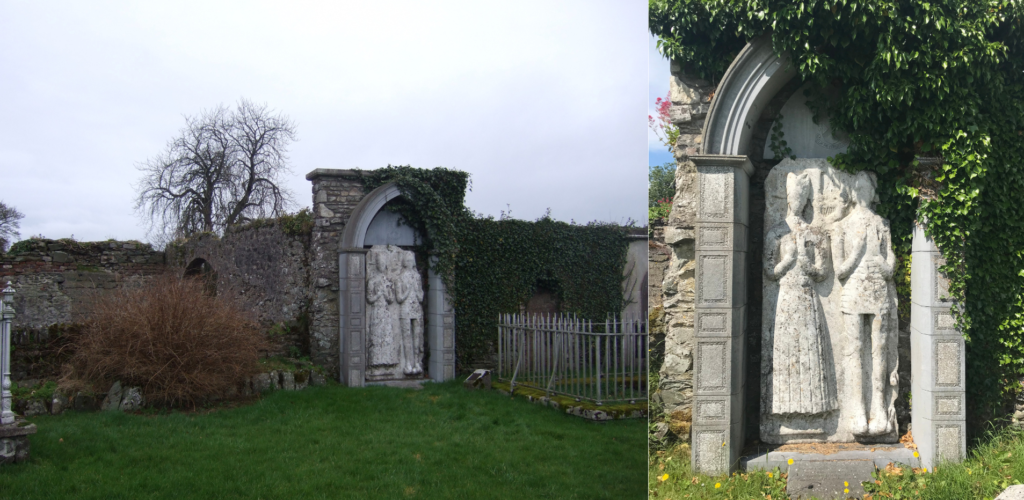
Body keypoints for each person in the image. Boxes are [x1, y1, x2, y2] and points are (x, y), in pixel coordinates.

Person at [764, 171, 838, 416]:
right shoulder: (776, 232)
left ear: (806, 201)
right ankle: (783, 407)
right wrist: (787, 261)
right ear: (788, 199)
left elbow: (823, 272)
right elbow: (770, 272)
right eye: (793, 197)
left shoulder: (815, 233)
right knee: (786, 352)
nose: (797, 202)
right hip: (785, 300)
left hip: (807, 299)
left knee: (809, 351)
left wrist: (806, 263)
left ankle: (815, 407)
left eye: (801, 198)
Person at [834, 170, 897, 437]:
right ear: (853, 193)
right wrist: (858, 251)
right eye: (858, 188)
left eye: (867, 188)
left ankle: (879, 408)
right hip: (853, 293)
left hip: (878, 292)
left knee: (879, 351)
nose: (863, 193)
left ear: (873, 192)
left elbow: (891, 258)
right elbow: (839, 270)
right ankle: (857, 409)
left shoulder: (882, 223)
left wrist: (886, 265)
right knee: (854, 351)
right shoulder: (842, 226)